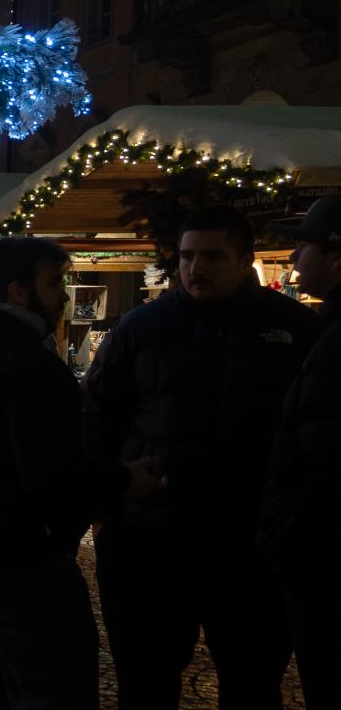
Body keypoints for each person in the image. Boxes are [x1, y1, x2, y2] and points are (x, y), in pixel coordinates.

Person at [84, 204, 318, 710]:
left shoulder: (295, 329)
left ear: (244, 260)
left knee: (254, 680)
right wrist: (107, 507)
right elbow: (97, 422)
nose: (196, 268)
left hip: (249, 545)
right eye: (188, 256)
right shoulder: (143, 328)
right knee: (145, 681)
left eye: (212, 256)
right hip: (151, 541)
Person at [0, 236, 162, 710]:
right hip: (20, 555)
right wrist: (123, 482)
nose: (62, 293)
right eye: (54, 281)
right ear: (19, 291)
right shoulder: (27, 363)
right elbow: (52, 475)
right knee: (53, 684)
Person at [259, 194, 341, 705]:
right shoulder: (327, 330)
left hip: (324, 565)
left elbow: (320, 457)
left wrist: (284, 535)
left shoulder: (332, 340)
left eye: (303, 247)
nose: (292, 260)